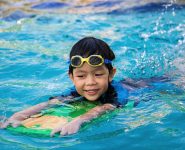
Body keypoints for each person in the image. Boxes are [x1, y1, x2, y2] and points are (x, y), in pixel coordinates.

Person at [0, 37, 129, 136]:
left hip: (139, 86)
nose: (90, 82)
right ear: (71, 77)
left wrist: (78, 120)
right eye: (81, 76)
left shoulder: (117, 92)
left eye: (98, 74)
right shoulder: (74, 92)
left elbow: (105, 108)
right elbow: (51, 103)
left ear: (111, 74)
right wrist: (19, 115)